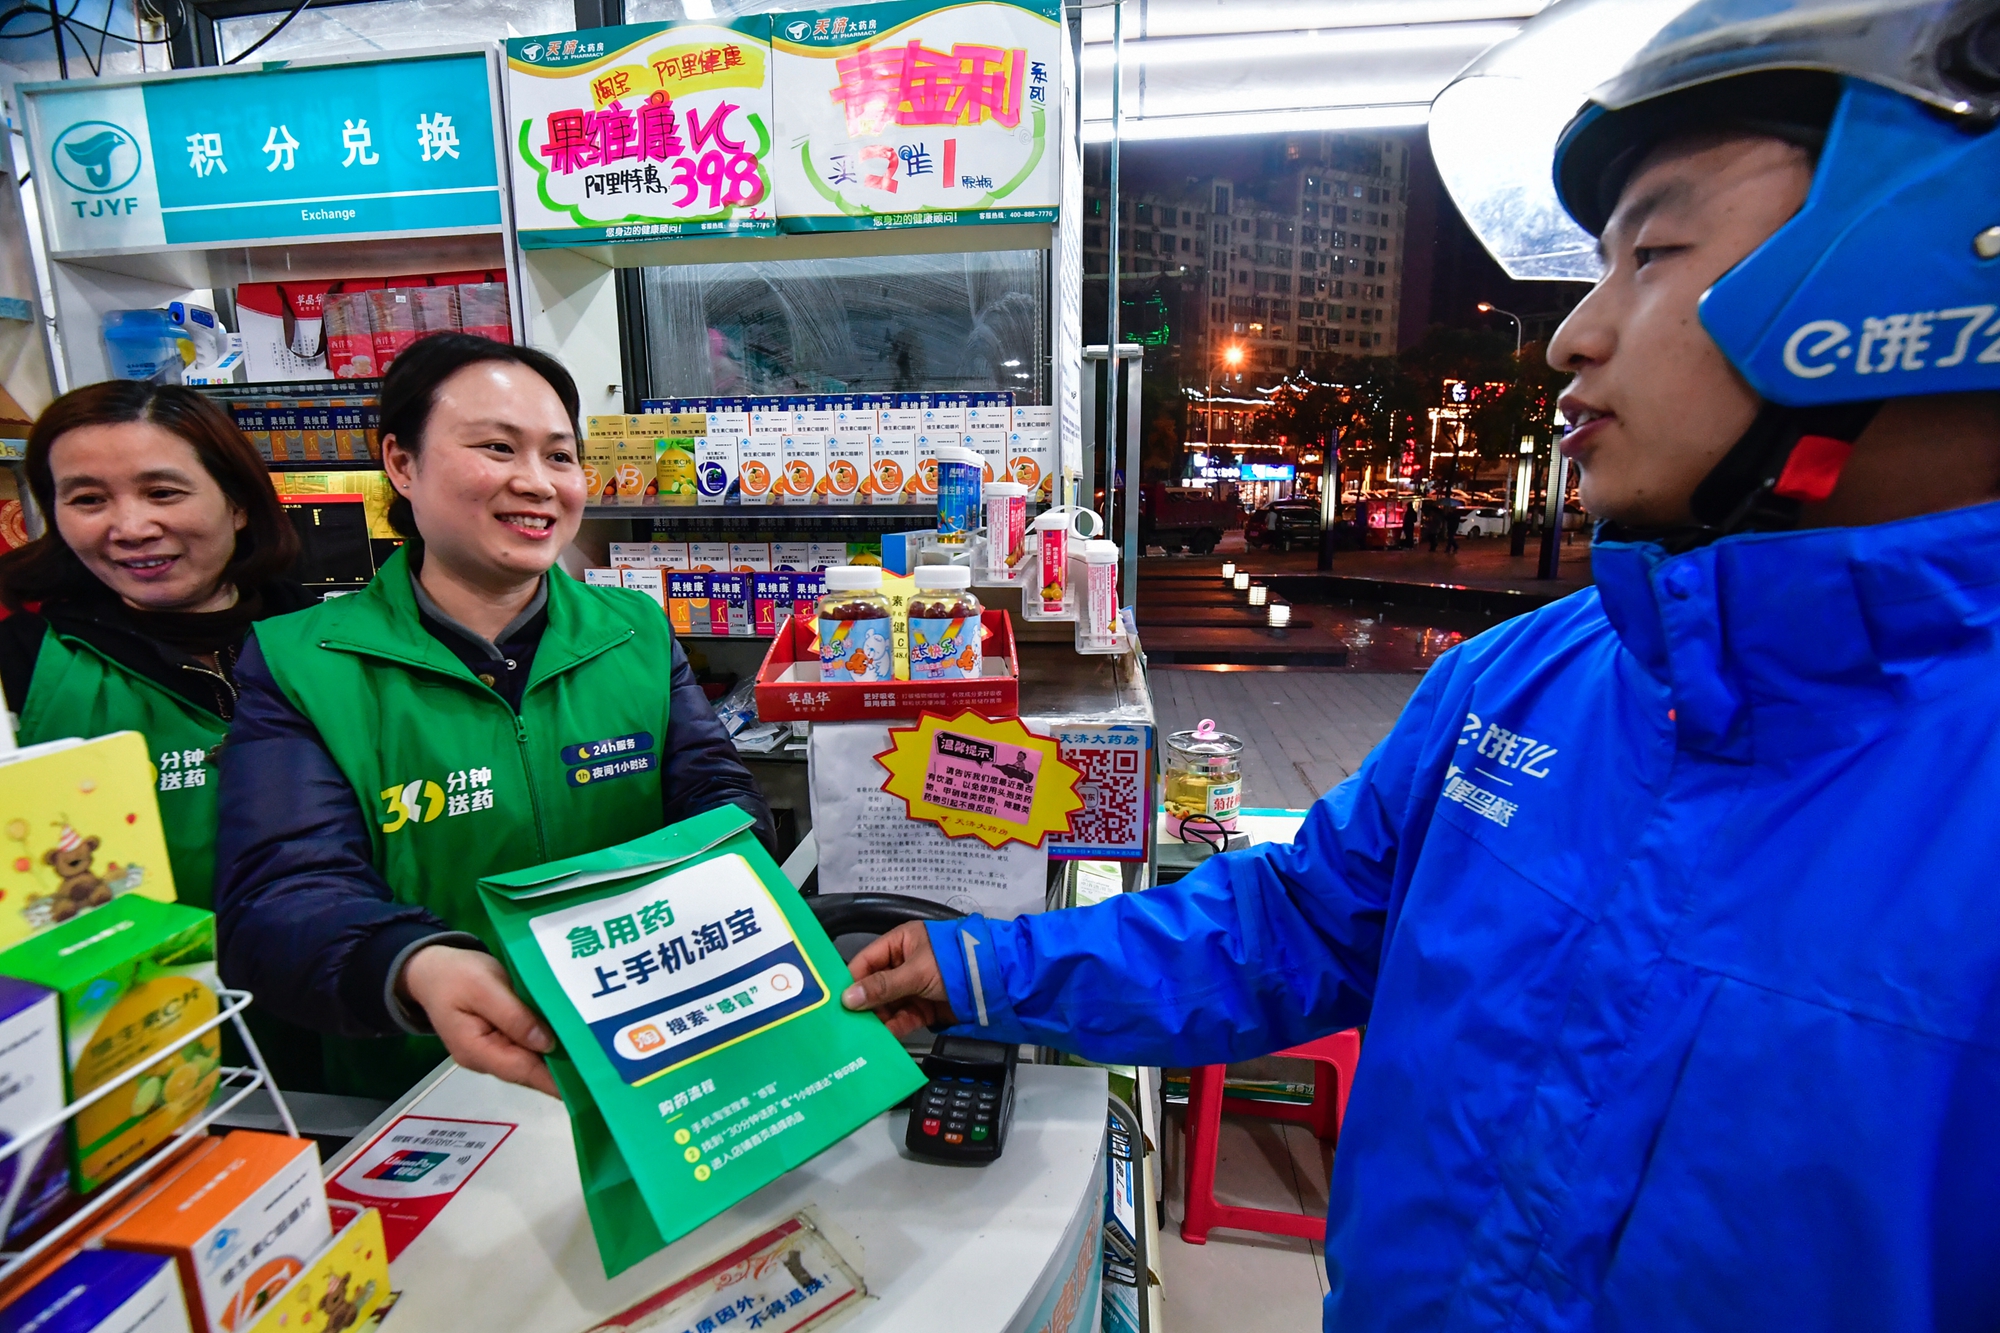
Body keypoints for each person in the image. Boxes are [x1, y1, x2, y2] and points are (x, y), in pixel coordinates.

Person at [843, 3, 2000, 1328]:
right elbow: (1291, 925)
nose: (1573, 338)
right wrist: (988, 968)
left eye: (1654, 253)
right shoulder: (1520, 681)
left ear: (1921, 268)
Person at [214, 334, 773, 1101]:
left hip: (648, 1047)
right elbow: (279, 898)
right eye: (497, 447)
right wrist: (413, 964)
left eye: (559, 456)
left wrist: (729, 856)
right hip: (425, 1087)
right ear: (402, 464)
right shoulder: (301, 662)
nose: (536, 482)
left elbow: (715, 790)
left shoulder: (635, 629)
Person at [0, 383, 308, 909]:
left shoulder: (327, 640)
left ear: (237, 504)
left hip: (342, 971)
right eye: (88, 500)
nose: (132, 528)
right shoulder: (23, 661)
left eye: (162, 492)